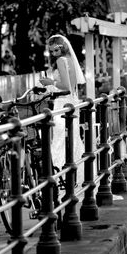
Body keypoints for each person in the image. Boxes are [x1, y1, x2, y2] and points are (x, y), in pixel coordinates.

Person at [39, 34, 86, 185]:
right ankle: (74, 176)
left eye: (54, 50)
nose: (53, 54)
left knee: (59, 140)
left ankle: (60, 177)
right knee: (72, 138)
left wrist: (49, 81)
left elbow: (65, 86)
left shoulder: (61, 61)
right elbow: (71, 87)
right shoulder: (71, 60)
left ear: (61, 48)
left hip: (62, 104)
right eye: (51, 51)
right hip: (71, 102)